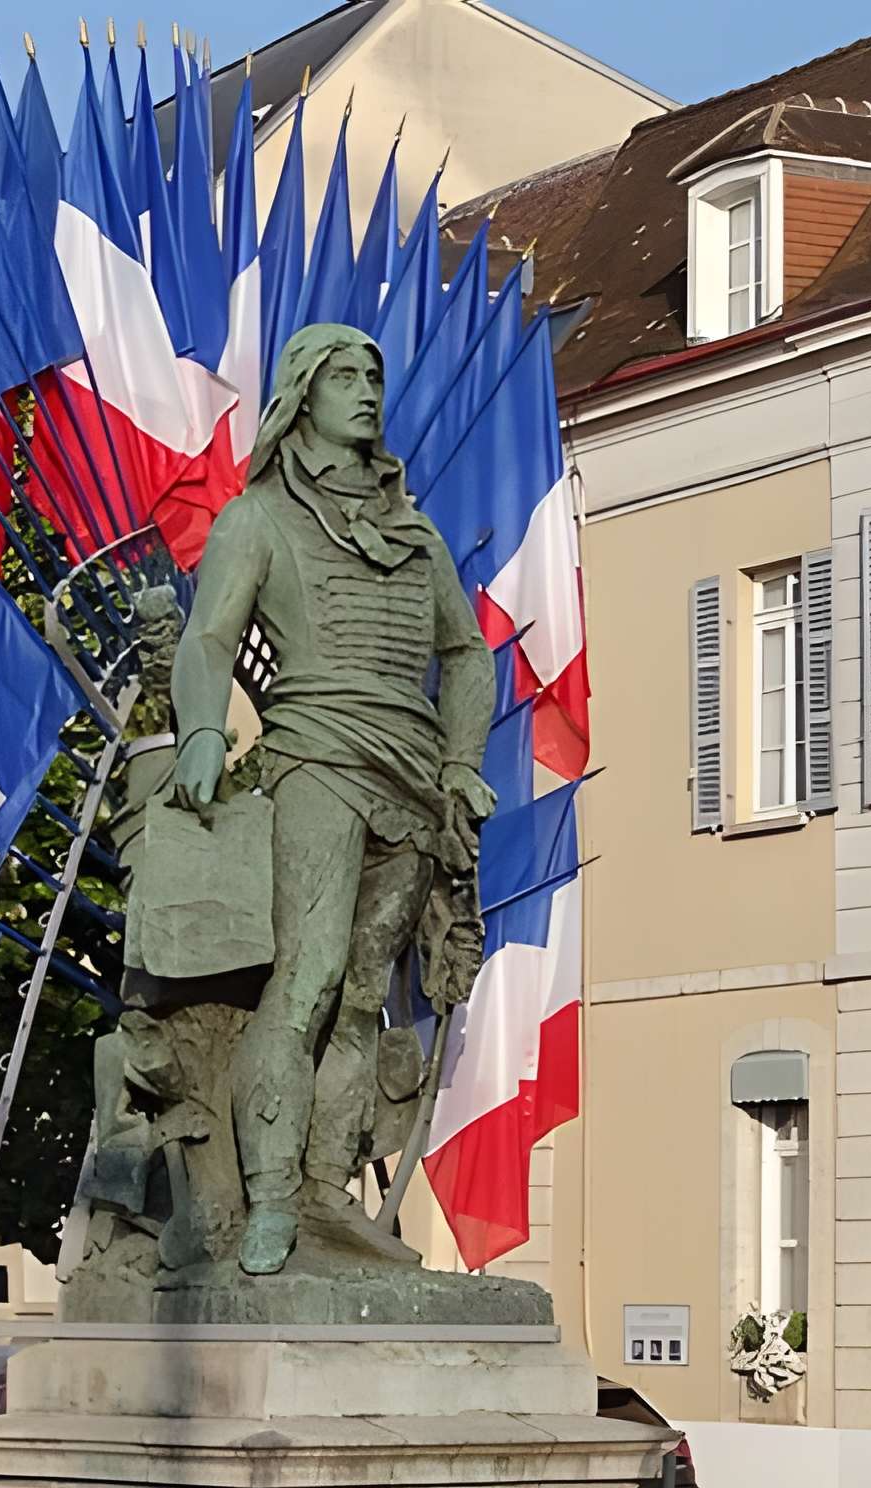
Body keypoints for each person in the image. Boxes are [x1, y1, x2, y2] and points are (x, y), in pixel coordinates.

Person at [169, 323, 495, 1277]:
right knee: (305, 981)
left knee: (362, 1003)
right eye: (343, 375)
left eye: (373, 375)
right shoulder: (258, 518)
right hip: (317, 754)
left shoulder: (414, 528)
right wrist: (199, 732)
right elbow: (208, 638)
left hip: (412, 770)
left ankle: (324, 1197)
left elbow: (466, 653)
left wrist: (463, 758)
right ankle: (268, 1201)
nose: (365, 390)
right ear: (302, 393)